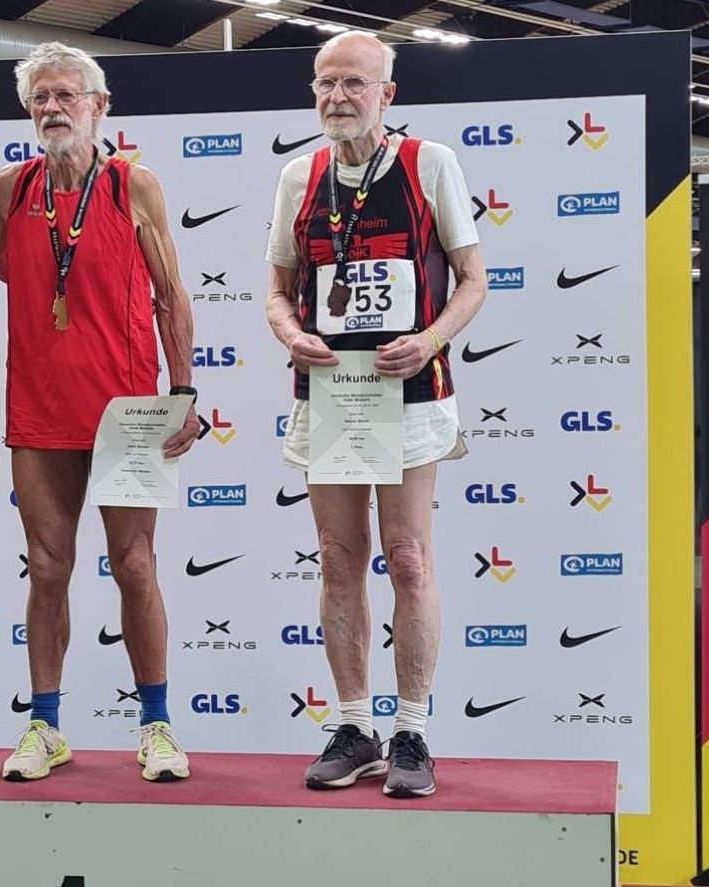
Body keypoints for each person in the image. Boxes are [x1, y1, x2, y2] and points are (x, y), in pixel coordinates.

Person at [0, 42, 199, 783]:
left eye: (68, 95)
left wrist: (184, 391)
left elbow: (171, 294)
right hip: (37, 412)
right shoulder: (8, 191)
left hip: (126, 412)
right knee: (48, 569)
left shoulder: (135, 186)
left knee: (135, 564)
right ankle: (46, 724)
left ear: (100, 107)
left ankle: (157, 724)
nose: (53, 108)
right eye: (41, 97)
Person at [264, 32, 487, 797]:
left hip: (411, 391)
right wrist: (293, 335)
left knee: (410, 556)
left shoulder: (430, 164)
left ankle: (414, 731)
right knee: (337, 557)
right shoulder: (300, 175)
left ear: (386, 94)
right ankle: (354, 725)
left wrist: (429, 338)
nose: (336, 97)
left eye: (353, 83)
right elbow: (276, 291)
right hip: (331, 393)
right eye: (324, 83)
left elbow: (473, 280)